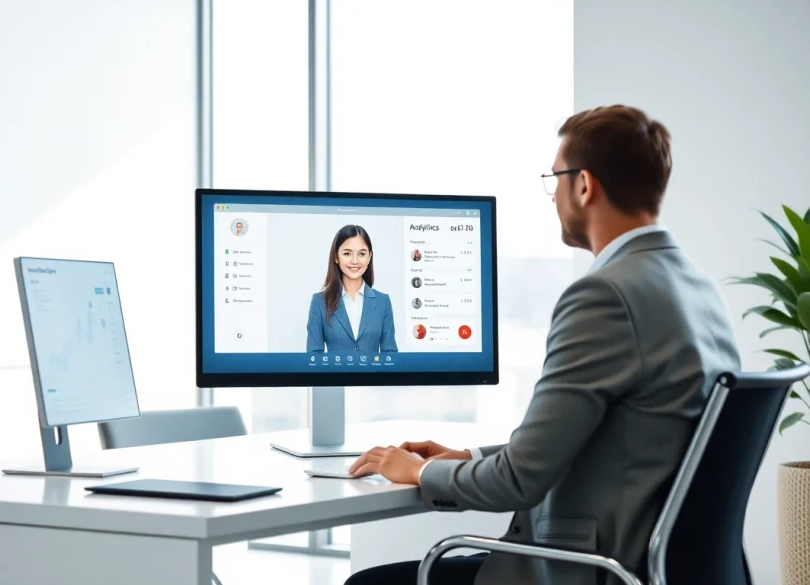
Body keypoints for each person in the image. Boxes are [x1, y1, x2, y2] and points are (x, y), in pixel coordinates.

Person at [344, 105, 741, 585]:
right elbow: (599, 440)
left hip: (586, 569)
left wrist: (418, 472)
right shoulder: (700, 288)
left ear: (584, 185)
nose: (553, 196)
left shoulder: (605, 295)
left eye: (555, 179)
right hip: (661, 565)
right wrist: (468, 456)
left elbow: (520, 481)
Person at [307, 225, 398, 353]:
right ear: (336, 257)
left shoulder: (383, 301)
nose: (355, 261)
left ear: (369, 256)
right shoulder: (319, 301)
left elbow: (390, 354)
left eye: (361, 253)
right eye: (347, 253)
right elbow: (314, 356)